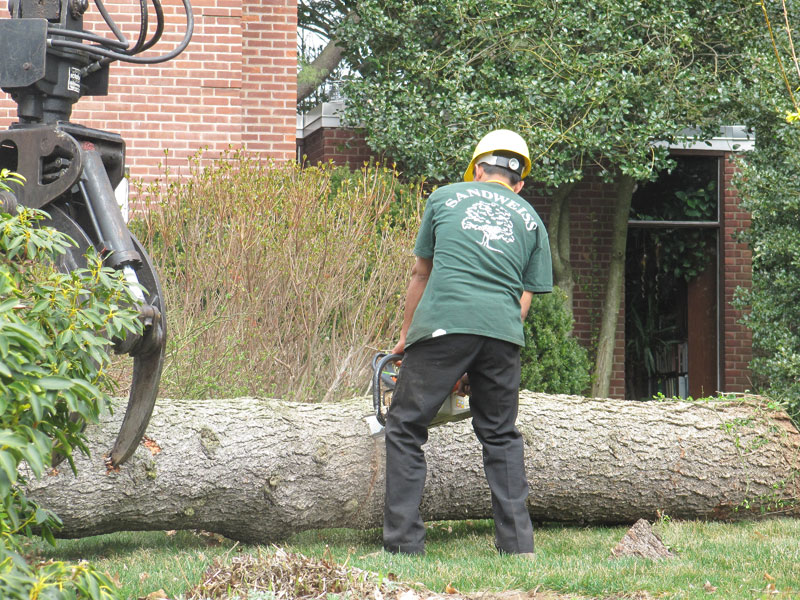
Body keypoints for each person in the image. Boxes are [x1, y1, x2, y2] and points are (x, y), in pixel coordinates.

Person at [383, 129, 552, 556]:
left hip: (443, 323)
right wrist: (483, 350)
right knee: (500, 435)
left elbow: (421, 273)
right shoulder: (532, 219)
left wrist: (406, 337)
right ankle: (518, 547)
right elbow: (523, 297)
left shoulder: (444, 198)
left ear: (477, 170)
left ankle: (404, 544)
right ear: (519, 183)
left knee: (405, 426)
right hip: (503, 332)